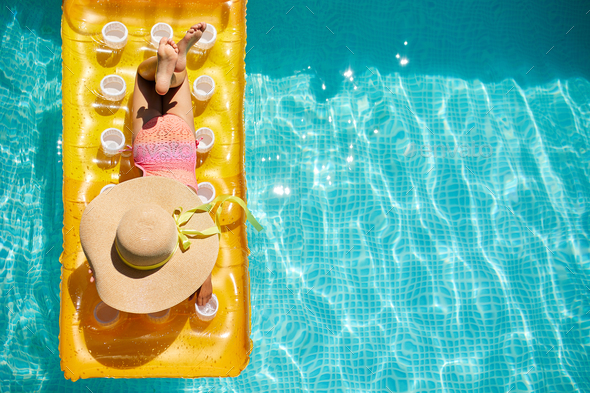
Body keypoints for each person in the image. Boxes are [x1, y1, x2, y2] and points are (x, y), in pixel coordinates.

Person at [88, 23, 214, 307]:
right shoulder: (134, 219)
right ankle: (165, 66)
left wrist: (205, 275)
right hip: (150, 151)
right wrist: (99, 264)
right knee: (143, 81)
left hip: (182, 153)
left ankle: (176, 65)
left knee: (179, 84)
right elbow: (104, 229)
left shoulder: (182, 223)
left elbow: (204, 232)